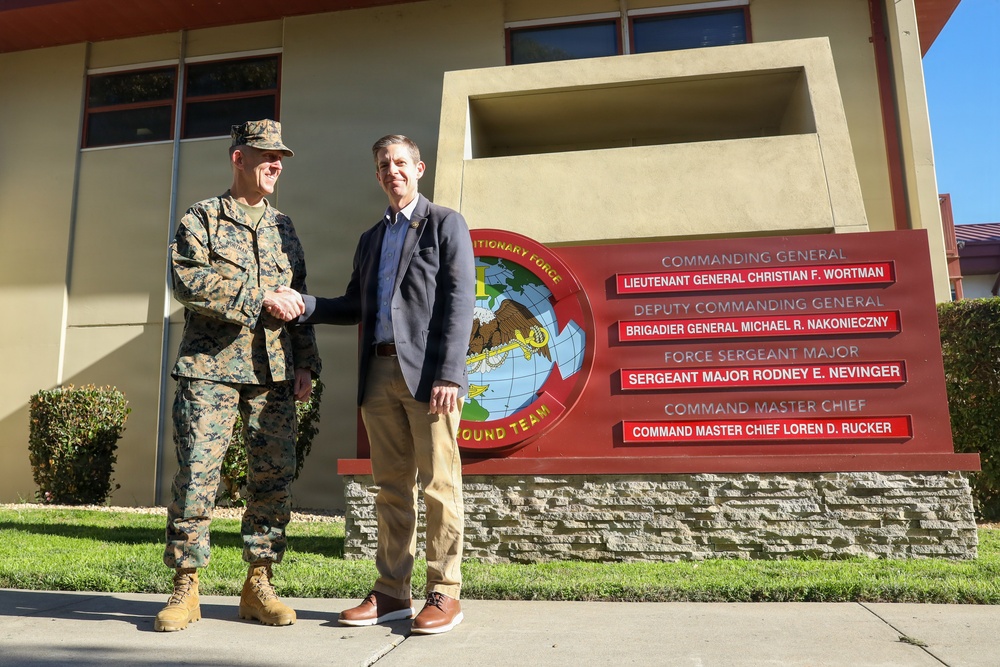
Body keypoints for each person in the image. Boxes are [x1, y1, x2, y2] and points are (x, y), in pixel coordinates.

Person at [281, 134, 474, 634]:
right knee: (391, 488)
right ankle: (392, 591)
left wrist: (450, 373)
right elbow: (353, 306)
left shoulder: (445, 224)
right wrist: (306, 304)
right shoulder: (371, 239)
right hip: (379, 374)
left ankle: (445, 592)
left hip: (430, 379)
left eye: (401, 162)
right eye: (384, 165)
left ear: (419, 168)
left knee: (439, 486)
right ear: (378, 175)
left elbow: (459, 305)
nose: (394, 171)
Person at [154, 119, 322, 632]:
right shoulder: (202, 218)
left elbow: (298, 296)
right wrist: (256, 298)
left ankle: (259, 584)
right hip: (211, 371)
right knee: (197, 481)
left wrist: (306, 363)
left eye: (281, 158)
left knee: (272, 482)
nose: (275, 164)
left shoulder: (283, 227)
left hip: (273, 374)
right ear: (238, 157)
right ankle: (187, 586)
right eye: (266, 155)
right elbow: (187, 279)